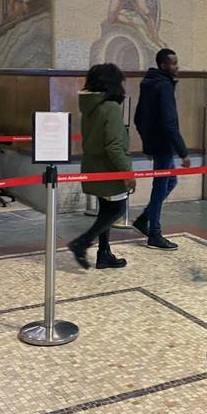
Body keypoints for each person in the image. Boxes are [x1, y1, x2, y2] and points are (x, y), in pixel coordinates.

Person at [68, 63, 135, 270]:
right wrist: (128, 172)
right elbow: (114, 145)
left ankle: (104, 253)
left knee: (105, 209)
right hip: (109, 169)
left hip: (93, 166)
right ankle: (83, 242)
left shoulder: (90, 106)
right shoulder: (111, 107)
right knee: (117, 208)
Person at [132, 48, 190, 250]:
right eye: (173, 63)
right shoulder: (163, 86)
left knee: (170, 182)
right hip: (164, 146)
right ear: (164, 65)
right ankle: (154, 233)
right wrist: (182, 151)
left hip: (157, 144)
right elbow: (169, 122)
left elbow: (139, 118)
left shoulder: (149, 83)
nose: (177, 66)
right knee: (160, 187)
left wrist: (148, 143)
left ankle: (145, 218)